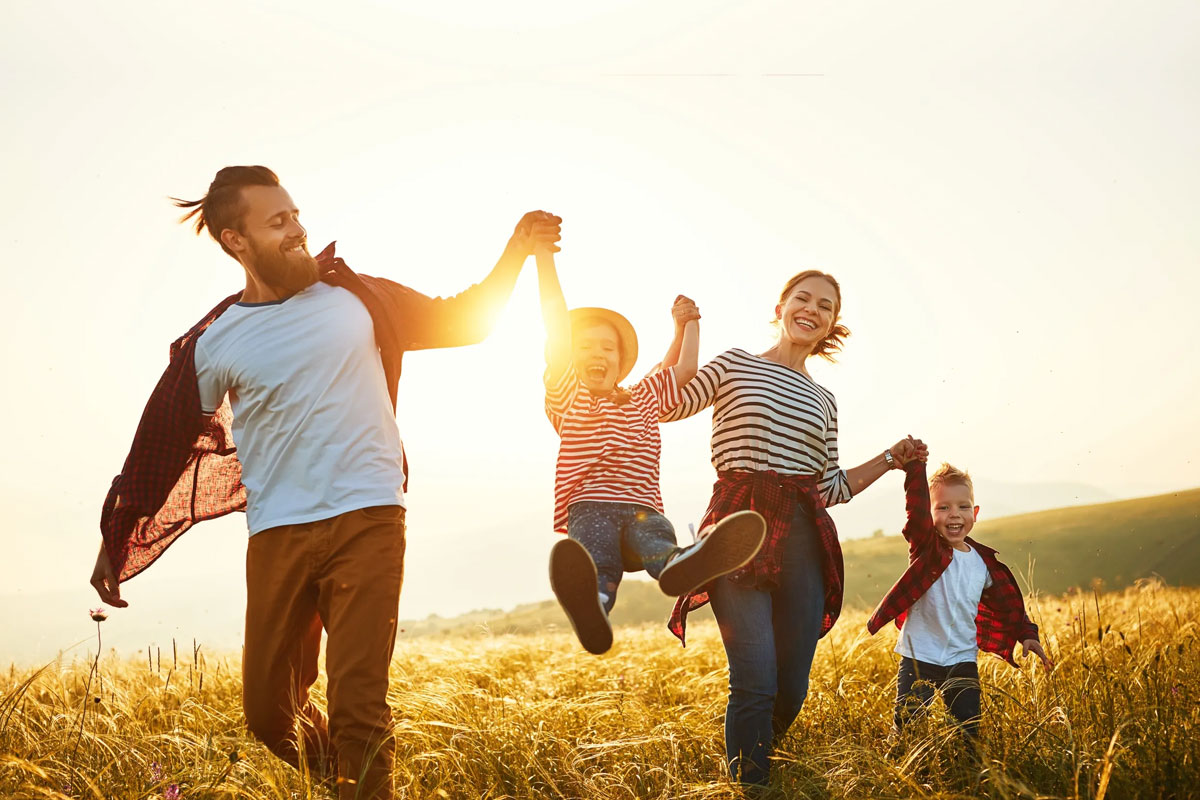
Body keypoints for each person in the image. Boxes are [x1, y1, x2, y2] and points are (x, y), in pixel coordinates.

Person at [87, 165, 561, 800]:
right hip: (277, 533)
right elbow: (165, 443)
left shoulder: (358, 296)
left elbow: (465, 321)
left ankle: (359, 779)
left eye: (295, 215)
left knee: (358, 709)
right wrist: (119, 535)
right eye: (276, 222)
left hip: (367, 520)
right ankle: (346, 778)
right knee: (268, 715)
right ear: (236, 241)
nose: (297, 229)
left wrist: (517, 250)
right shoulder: (217, 340)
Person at [662, 270, 926, 786]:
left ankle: (755, 757)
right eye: (802, 298)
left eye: (825, 306)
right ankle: (750, 786)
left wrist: (891, 458)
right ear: (781, 306)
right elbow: (672, 403)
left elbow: (830, 487)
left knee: (790, 687)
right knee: (755, 678)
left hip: (804, 537)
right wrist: (684, 329)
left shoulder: (824, 400)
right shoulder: (735, 364)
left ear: (832, 324)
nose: (812, 309)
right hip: (737, 530)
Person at [535, 244, 766, 655]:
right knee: (597, 565)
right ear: (568, 359)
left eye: (607, 349)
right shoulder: (569, 396)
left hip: (644, 509)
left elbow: (685, 369)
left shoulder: (644, 396)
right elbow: (554, 323)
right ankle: (595, 610)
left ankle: (683, 565)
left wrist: (689, 323)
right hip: (590, 507)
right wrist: (544, 260)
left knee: (659, 546)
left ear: (621, 361)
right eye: (585, 348)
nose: (597, 354)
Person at [867, 459, 1052, 741]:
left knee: (968, 732)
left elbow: (1008, 606)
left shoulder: (983, 563)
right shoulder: (926, 549)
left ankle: (968, 778)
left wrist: (1026, 633)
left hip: (962, 658)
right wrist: (916, 466)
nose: (955, 514)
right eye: (943, 507)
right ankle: (897, 768)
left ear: (975, 513)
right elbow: (915, 508)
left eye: (963, 506)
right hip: (919, 657)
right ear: (929, 516)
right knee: (908, 729)